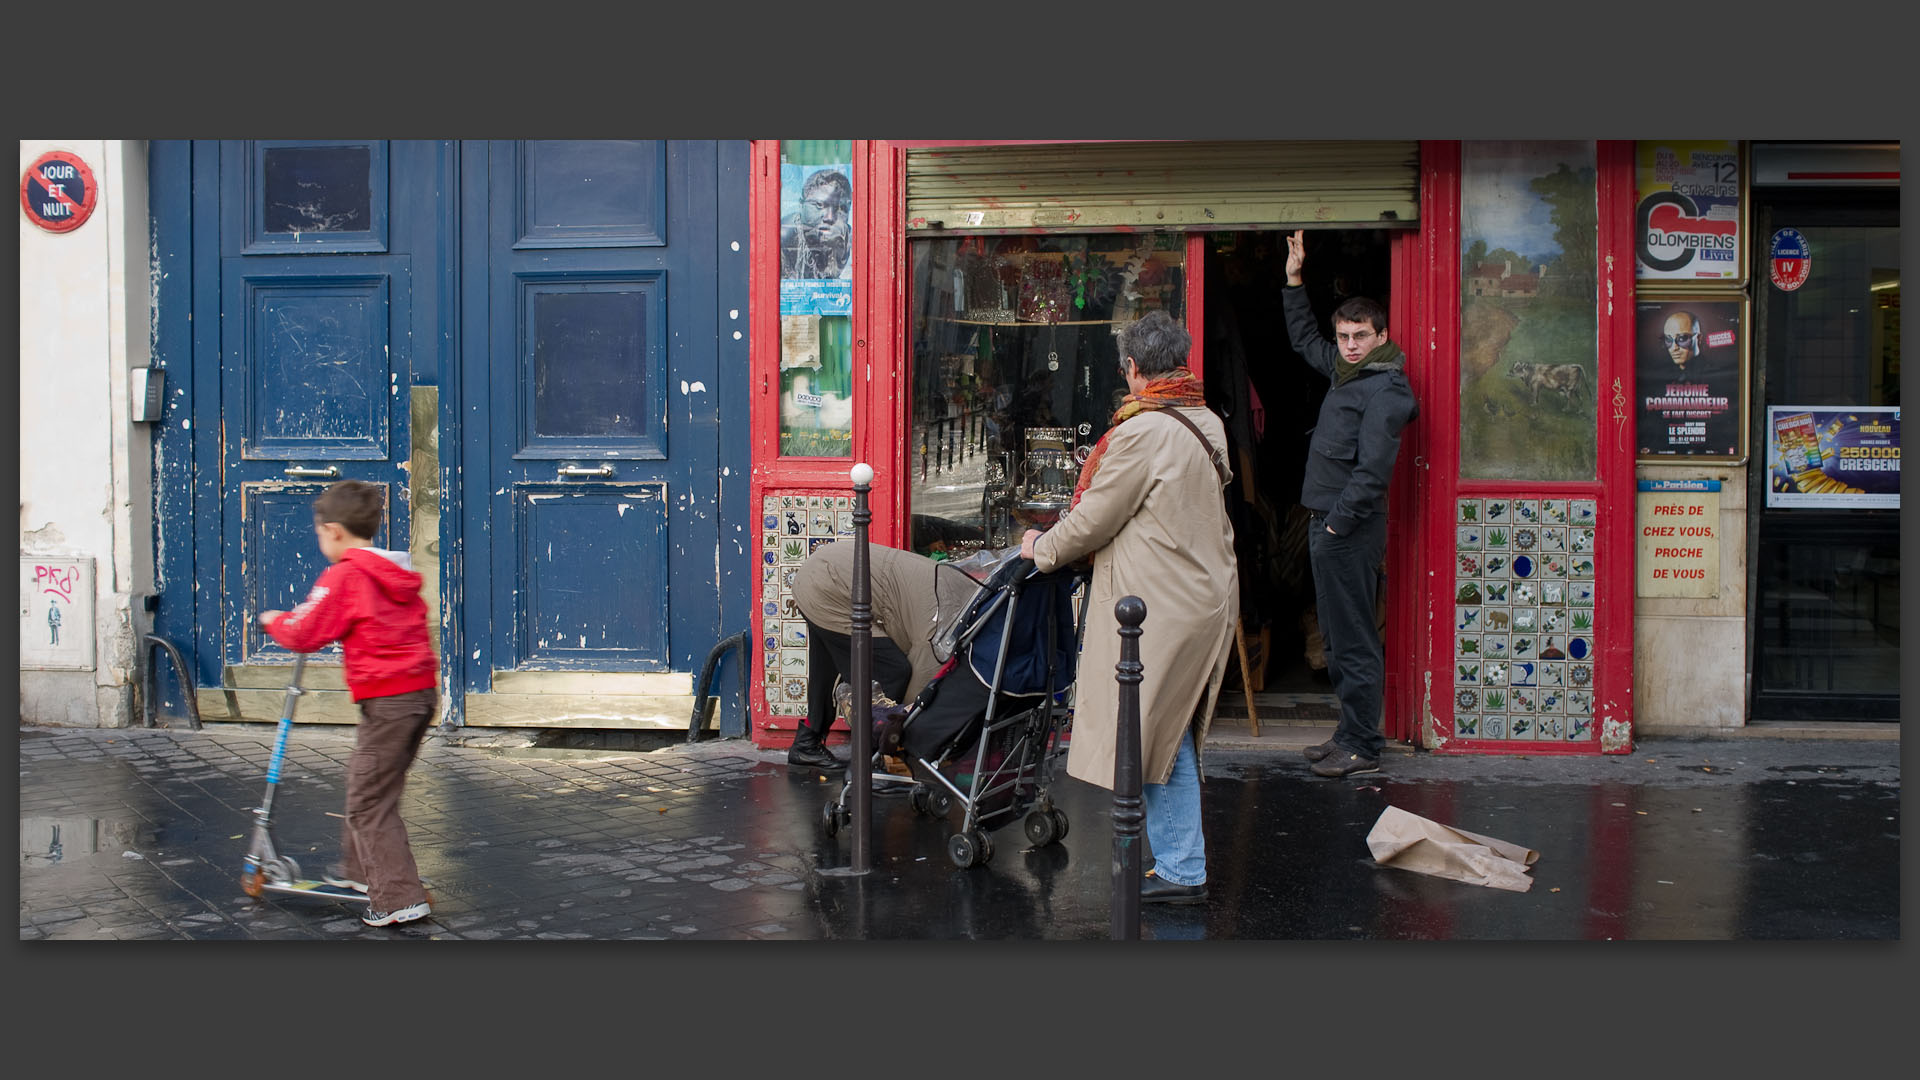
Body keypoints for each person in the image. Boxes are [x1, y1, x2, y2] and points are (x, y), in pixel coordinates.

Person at [1020, 309, 1238, 904]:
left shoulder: (1143, 432)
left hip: (1159, 606)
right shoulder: (1204, 418)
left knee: (1151, 731)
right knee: (1167, 729)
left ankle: (1182, 868)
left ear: (1134, 368)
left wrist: (1041, 549)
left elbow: (1093, 519)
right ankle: (1178, 858)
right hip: (1200, 594)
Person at [258, 480, 439, 928]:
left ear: (334, 531)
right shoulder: (391, 573)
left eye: (319, 533)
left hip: (388, 700)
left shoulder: (346, 575)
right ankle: (361, 873)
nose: (321, 541)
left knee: (367, 801)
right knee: (371, 784)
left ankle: (397, 898)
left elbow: (306, 630)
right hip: (417, 695)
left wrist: (273, 620)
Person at [1282, 229, 1420, 779]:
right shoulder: (1345, 371)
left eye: (1360, 335)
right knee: (1336, 638)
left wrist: (1337, 526)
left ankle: (1363, 743)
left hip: (1348, 529)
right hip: (1328, 525)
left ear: (1380, 335)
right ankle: (1347, 733)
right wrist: (1294, 277)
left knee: (1355, 637)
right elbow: (1301, 339)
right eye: (1343, 336)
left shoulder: (1386, 390)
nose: (1349, 345)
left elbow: (1373, 473)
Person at [786, 538, 979, 769]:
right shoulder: (944, 619)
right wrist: (907, 725)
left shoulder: (957, 590)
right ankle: (868, 763)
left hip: (822, 574)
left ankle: (806, 743)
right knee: (890, 673)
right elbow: (922, 675)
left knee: (825, 668)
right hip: (830, 585)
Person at [1639, 308, 1741, 455]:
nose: (1674, 348)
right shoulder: (1655, 380)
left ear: (1698, 339)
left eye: (1682, 339)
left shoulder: (1720, 377)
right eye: (1668, 340)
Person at [780, 169, 853, 280]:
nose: (830, 218)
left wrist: (836, 245)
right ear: (801, 205)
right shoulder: (785, 235)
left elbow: (832, 282)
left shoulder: (845, 237)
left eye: (841, 209)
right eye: (819, 205)